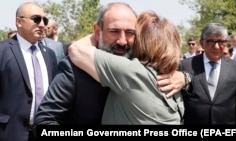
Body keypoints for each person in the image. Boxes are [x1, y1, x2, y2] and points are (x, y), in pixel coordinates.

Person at [34, 2, 186, 126]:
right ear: (97, 31)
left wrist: (184, 77)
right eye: (114, 31)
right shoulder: (74, 68)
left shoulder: (145, 68)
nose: (122, 41)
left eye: (130, 33)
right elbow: (45, 120)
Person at [0, 2, 57, 141]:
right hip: (10, 133)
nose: (42, 25)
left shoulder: (49, 54)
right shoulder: (2, 52)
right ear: (19, 22)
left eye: (45, 20)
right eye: (36, 19)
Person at [180, 22, 236, 125]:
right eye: (211, 41)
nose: (216, 46)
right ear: (202, 43)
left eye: (221, 41)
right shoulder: (186, 66)